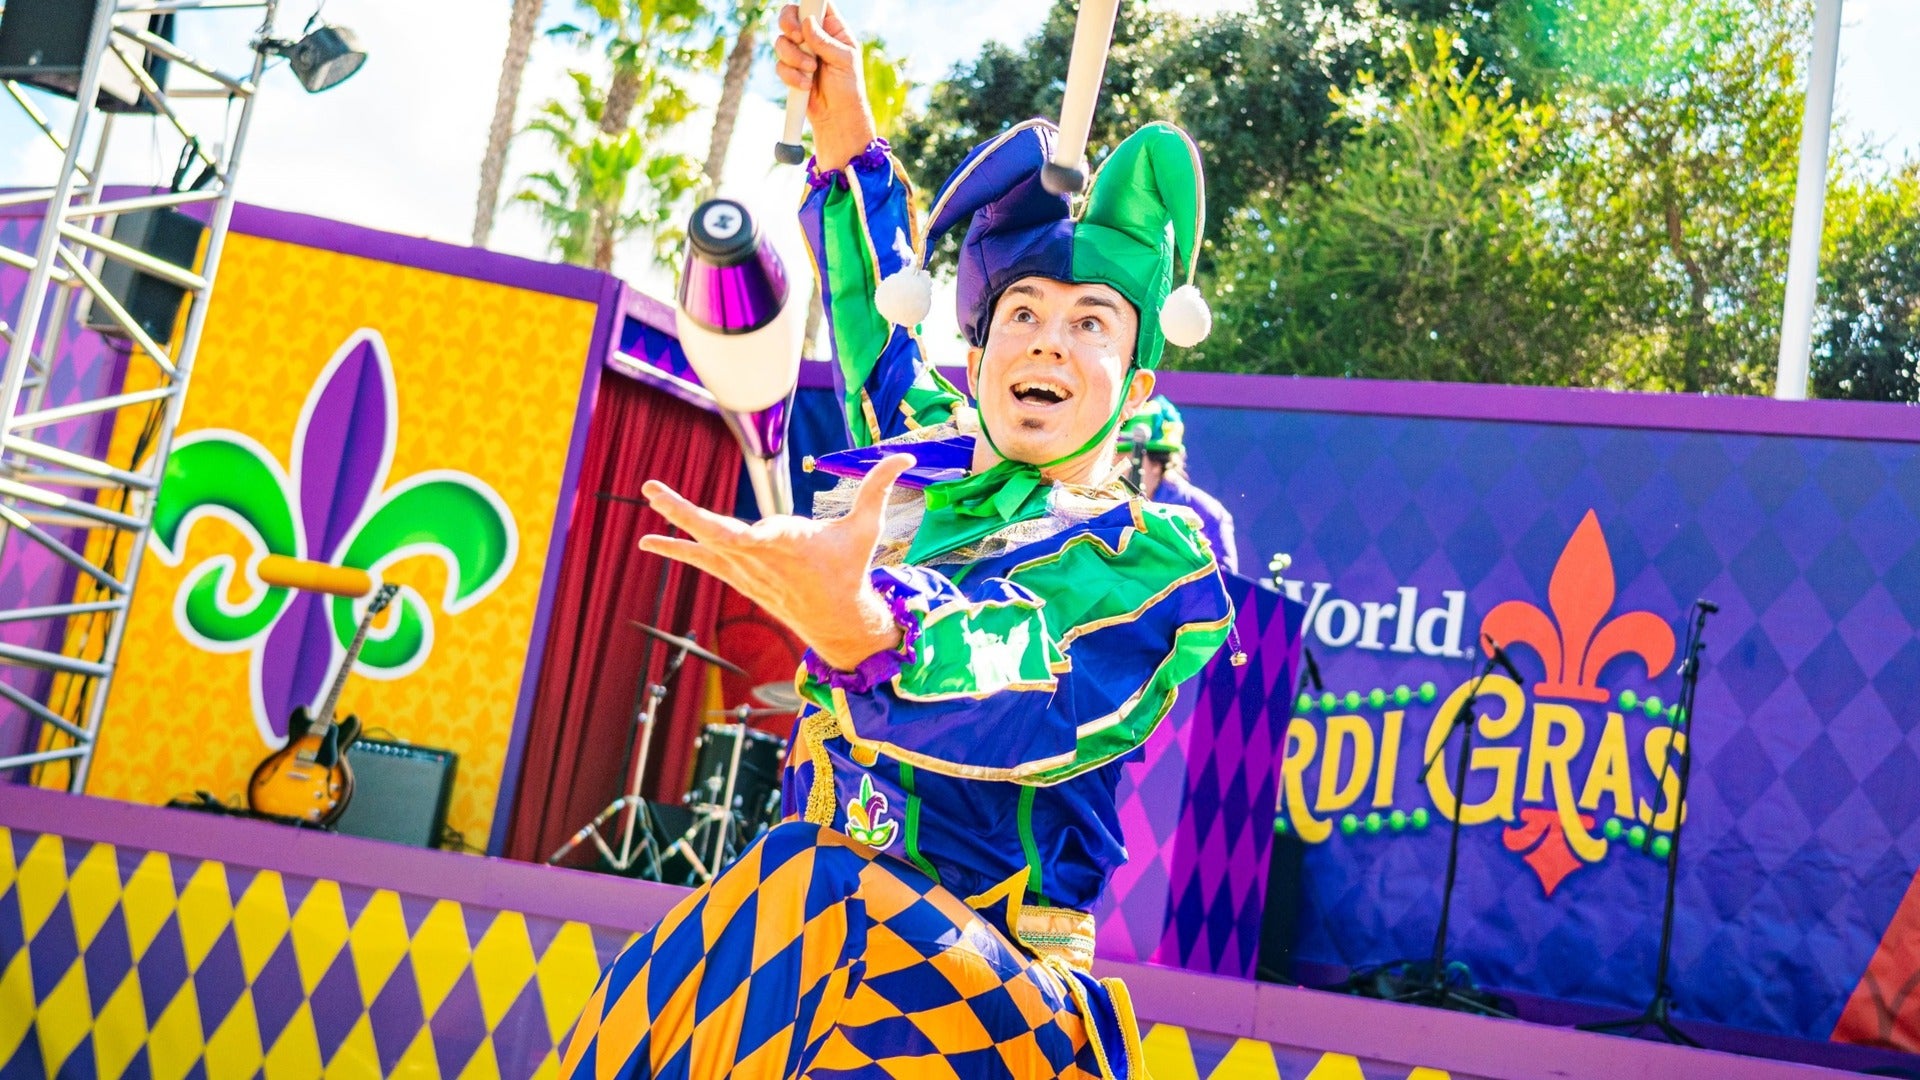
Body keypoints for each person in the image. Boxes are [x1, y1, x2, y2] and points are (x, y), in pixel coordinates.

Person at [560, 4, 1235, 1077]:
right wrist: (849, 145)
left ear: (1137, 384)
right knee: (652, 981)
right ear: (980, 354)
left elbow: (1034, 683)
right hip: (829, 966)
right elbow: (877, 322)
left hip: (1000, 994)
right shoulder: (923, 476)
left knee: (806, 890)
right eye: (1022, 313)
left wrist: (875, 628)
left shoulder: (1150, 564)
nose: (1048, 338)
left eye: (1090, 324)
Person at [1117, 395, 1239, 574]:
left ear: (1158, 464)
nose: (1117, 467)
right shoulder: (1110, 505)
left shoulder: (1207, 514)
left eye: (1126, 458)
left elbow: (1223, 586)